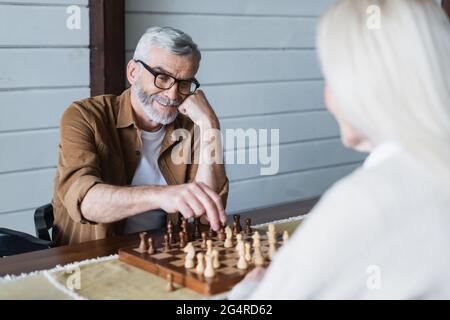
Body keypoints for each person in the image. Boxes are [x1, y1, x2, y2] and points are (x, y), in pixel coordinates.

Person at [232, 0, 450, 299]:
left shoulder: (365, 202)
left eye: (331, 78)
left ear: (361, 87)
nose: (328, 96)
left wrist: (248, 288)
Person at [52, 27, 229, 245]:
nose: (172, 94)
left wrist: (210, 124)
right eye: (162, 77)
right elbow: (85, 201)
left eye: (184, 83)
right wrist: (162, 195)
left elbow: (206, 216)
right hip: (92, 259)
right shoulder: (84, 116)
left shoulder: (192, 125)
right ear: (133, 72)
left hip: (163, 253)